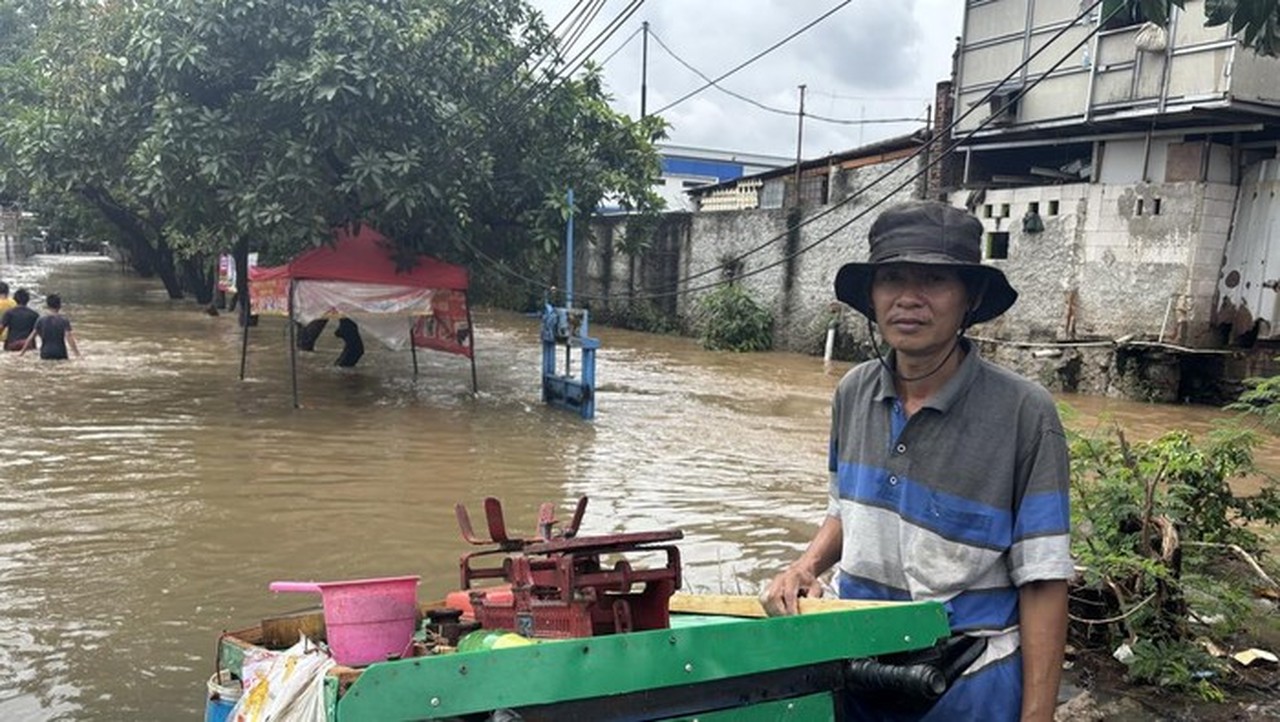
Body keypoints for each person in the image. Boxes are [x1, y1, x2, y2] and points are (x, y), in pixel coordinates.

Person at [760, 201, 1072, 721]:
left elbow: (1042, 579)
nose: (909, 299)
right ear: (872, 296)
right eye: (892, 279)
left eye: (933, 280)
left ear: (970, 297)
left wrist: (1037, 717)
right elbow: (846, 509)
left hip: (968, 683)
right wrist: (805, 565)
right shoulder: (853, 392)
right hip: (855, 660)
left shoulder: (1023, 412)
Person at [19, 293, 80, 360]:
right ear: (59, 306)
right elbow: (69, 338)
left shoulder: (41, 320)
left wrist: (21, 353)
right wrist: (77, 354)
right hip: (60, 353)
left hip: (45, 353)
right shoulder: (64, 320)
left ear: (48, 306)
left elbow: (31, 337)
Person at [1, 288, 39, 352]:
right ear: (28, 300)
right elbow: (40, 332)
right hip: (28, 345)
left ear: (15, 300)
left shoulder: (9, 313)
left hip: (12, 344)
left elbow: (1, 328)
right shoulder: (34, 314)